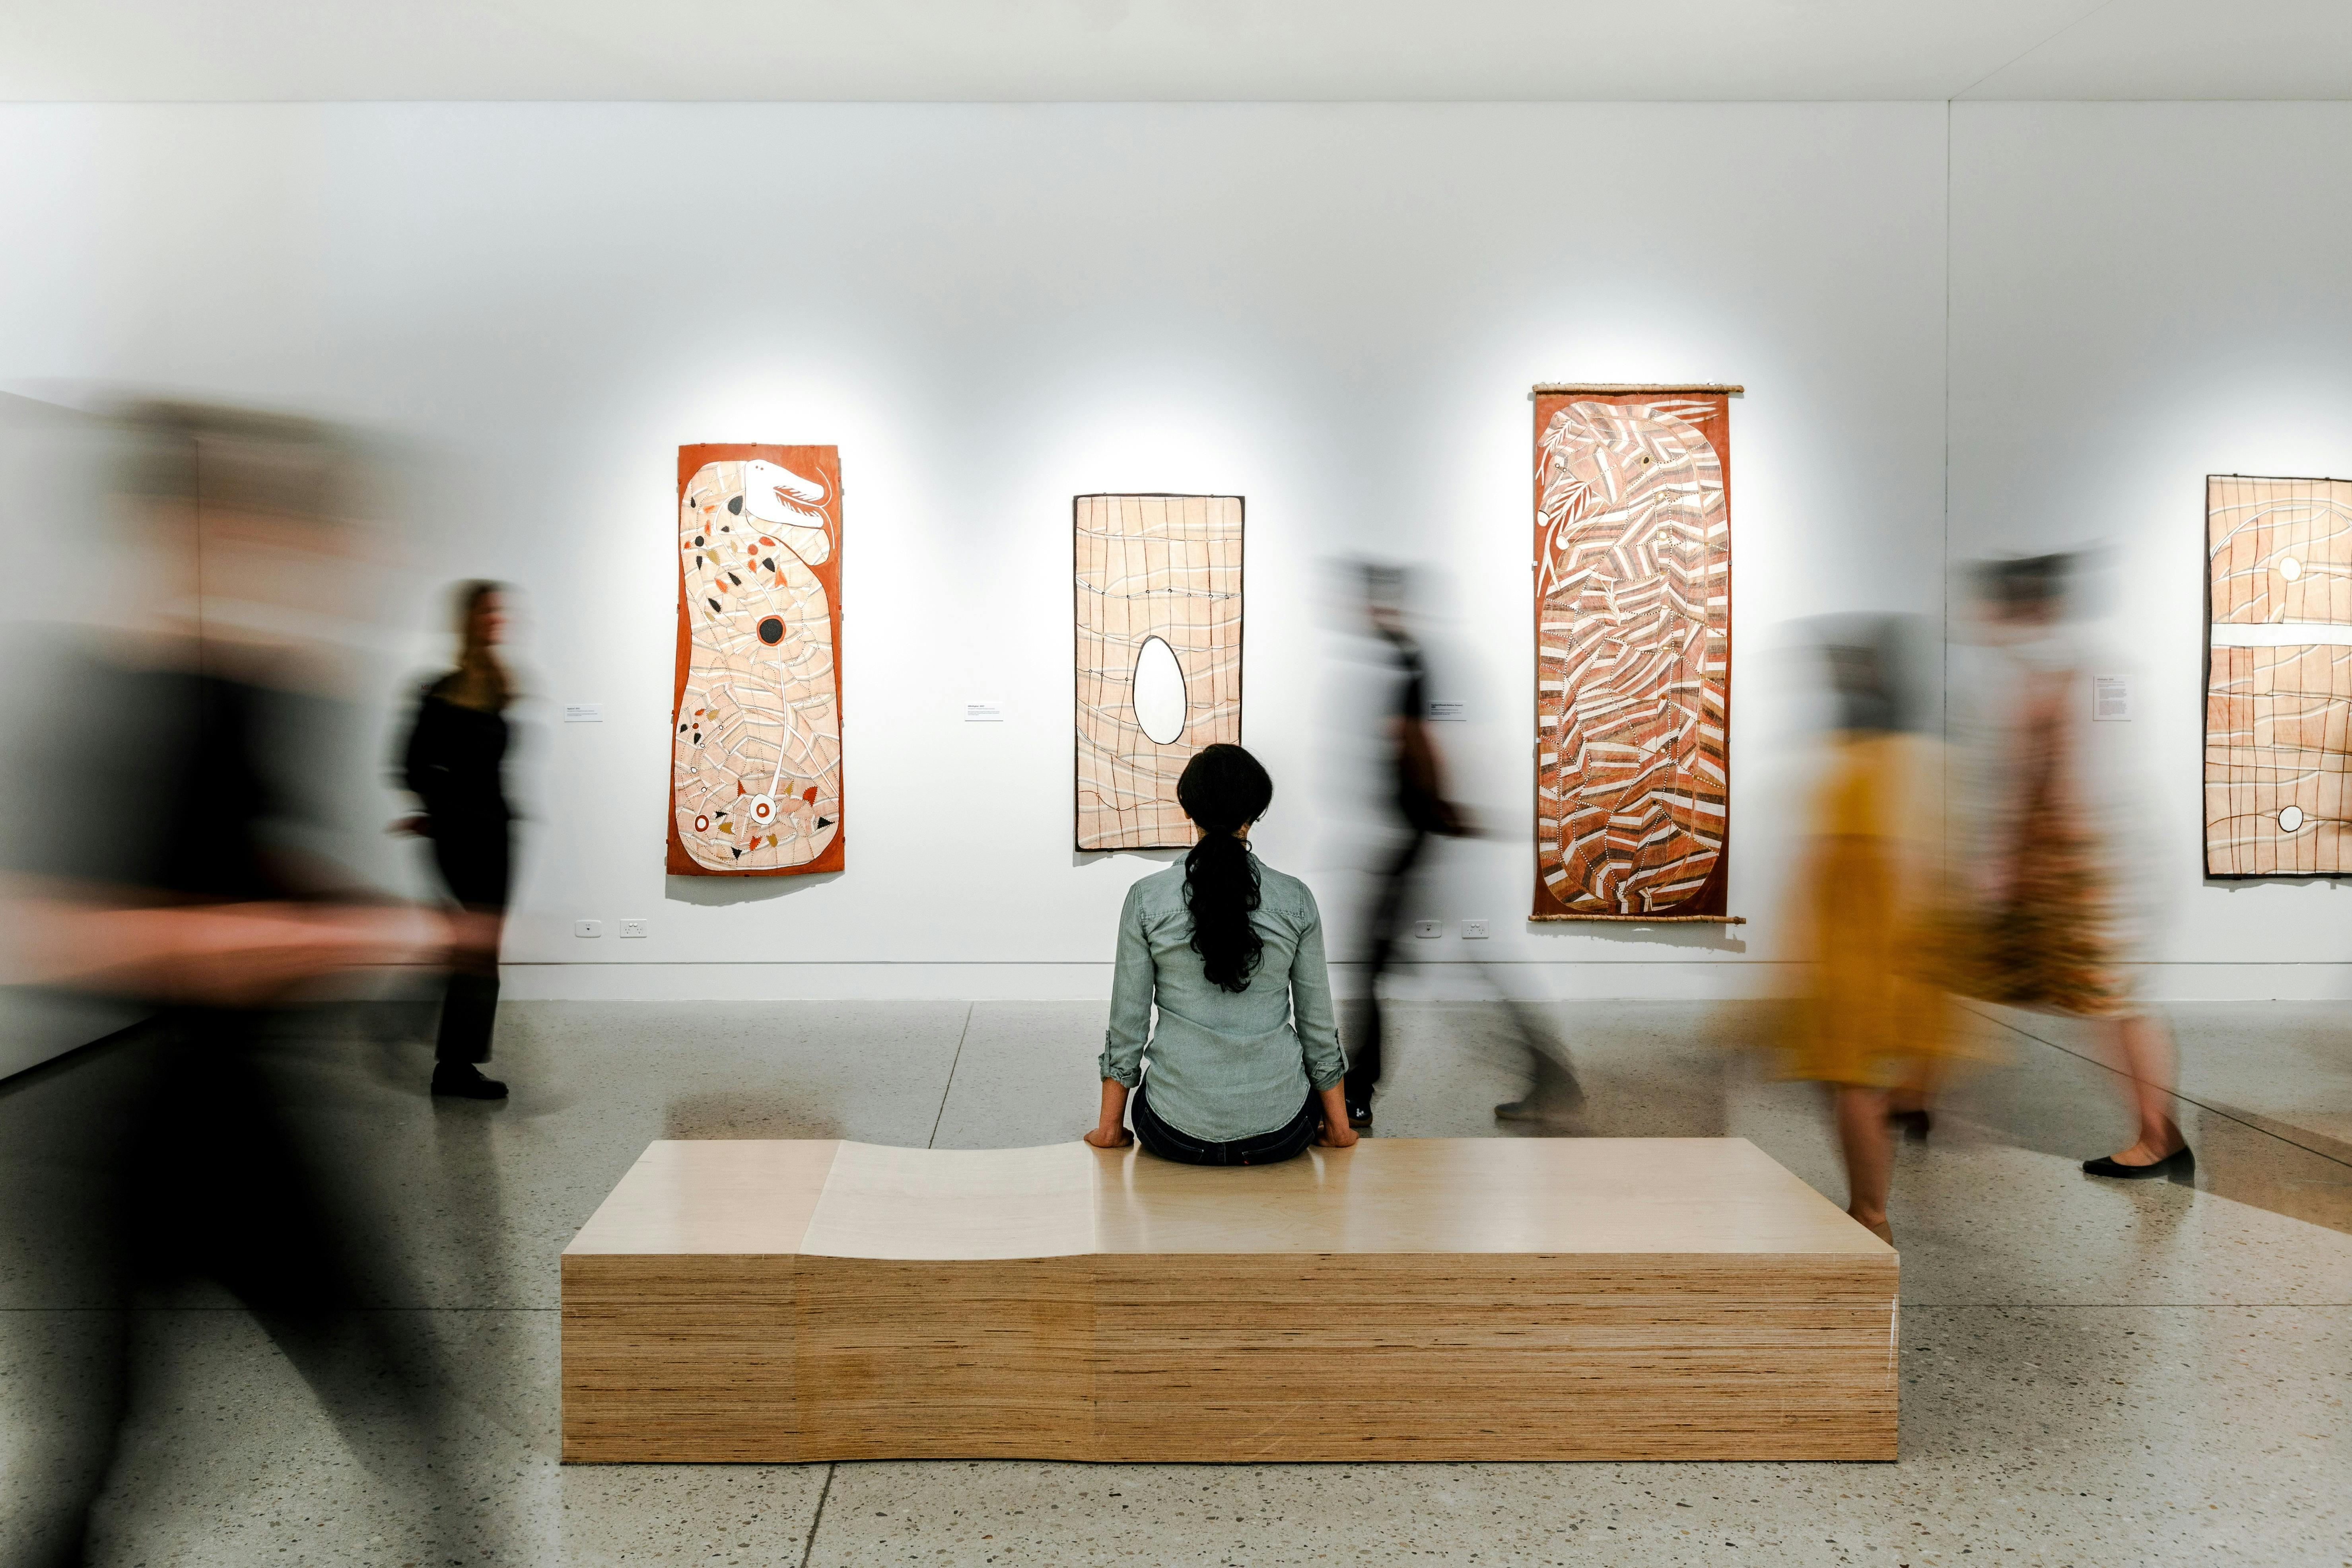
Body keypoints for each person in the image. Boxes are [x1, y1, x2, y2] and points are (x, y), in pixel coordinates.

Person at [1954, 555, 2188, 1181]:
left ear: (2031, 608)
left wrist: (2053, 865)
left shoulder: (2095, 674)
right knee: (1964, 970)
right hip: (2063, 867)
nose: (1988, 621)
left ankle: (2157, 1136)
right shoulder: (2042, 672)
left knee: (2113, 1002)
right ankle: (1909, 1098)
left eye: (2002, 608)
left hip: (2091, 871)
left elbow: (2088, 779)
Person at [1770, 618, 1962, 1245]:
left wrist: (1800, 953)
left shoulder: (1854, 766)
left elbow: (1831, 861)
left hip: (1857, 948)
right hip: (1897, 947)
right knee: (1865, 1078)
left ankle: (1869, 1214)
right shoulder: (1910, 761)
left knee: (1849, 1079)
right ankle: (1879, 1178)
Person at [1085, 744, 1358, 1164]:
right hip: (1281, 1133)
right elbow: (1316, 1025)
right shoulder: (1296, 900)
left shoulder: (1146, 899)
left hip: (1172, 1132)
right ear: (1254, 814)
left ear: (1187, 809)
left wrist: (1109, 1130)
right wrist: (1338, 1129)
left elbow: (1128, 1023)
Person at [399, 581, 517, 1099]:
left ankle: (457, 1063)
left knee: (481, 949)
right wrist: (438, 810)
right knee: (475, 947)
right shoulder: (440, 689)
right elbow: (410, 764)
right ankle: (453, 1067)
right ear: (470, 618)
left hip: (497, 833)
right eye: (490, 611)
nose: (500, 620)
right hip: (460, 835)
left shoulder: (499, 685)